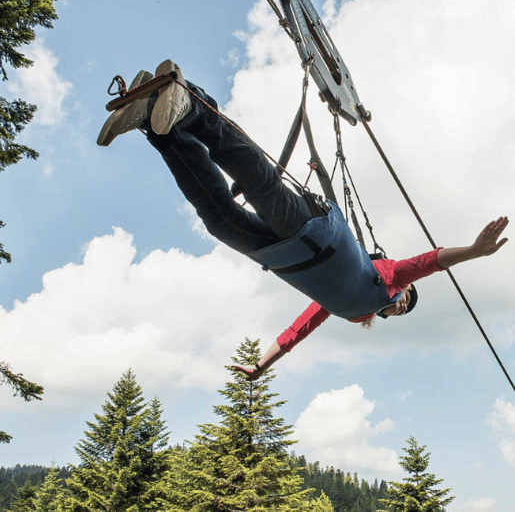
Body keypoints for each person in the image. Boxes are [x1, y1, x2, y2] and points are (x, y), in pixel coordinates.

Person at [98, 59, 509, 380]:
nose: (400, 306)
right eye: (405, 302)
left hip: (281, 256)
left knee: (219, 220)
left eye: (400, 312)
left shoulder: (349, 309)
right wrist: (474, 251)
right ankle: (191, 105)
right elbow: (429, 263)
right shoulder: (387, 279)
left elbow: (301, 328)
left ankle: (158, 125)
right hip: (316, 234)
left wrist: (261, 364)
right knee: (260, 184)